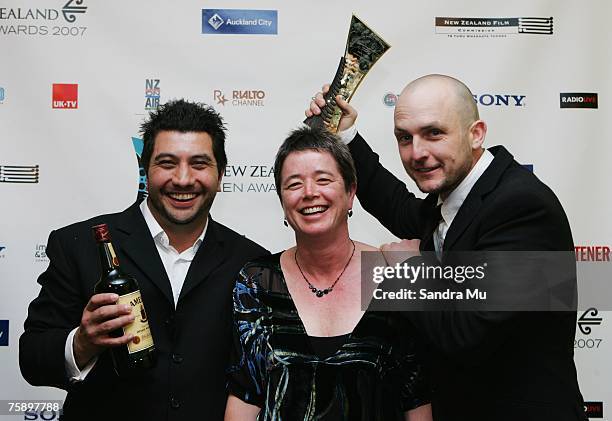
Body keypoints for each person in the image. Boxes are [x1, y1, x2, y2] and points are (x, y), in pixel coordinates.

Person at [306, 75, 586, 421]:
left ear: (476, 133)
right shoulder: (459, 196)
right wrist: (345, 133)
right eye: (404, 138)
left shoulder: (521, 207)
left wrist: (408, 271)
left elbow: (466, 333)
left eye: (434, 133)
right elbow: (400, 208)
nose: (417, 153)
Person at [19, 99, 268, 421]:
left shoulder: (252, 262)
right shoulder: (78, 245)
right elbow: (33, 360)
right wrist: (82, 342)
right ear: (145, 171)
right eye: (166, 163)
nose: (182, 179)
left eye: (199, 164)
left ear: (220, 174)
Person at [224, 127, 432, 421]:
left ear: (350, 194)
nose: (310, 193)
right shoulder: (257, 280)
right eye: (294, 184)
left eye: (323, 180)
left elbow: (417, 399)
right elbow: (246, 394)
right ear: (283, 202)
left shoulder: (393, 273)